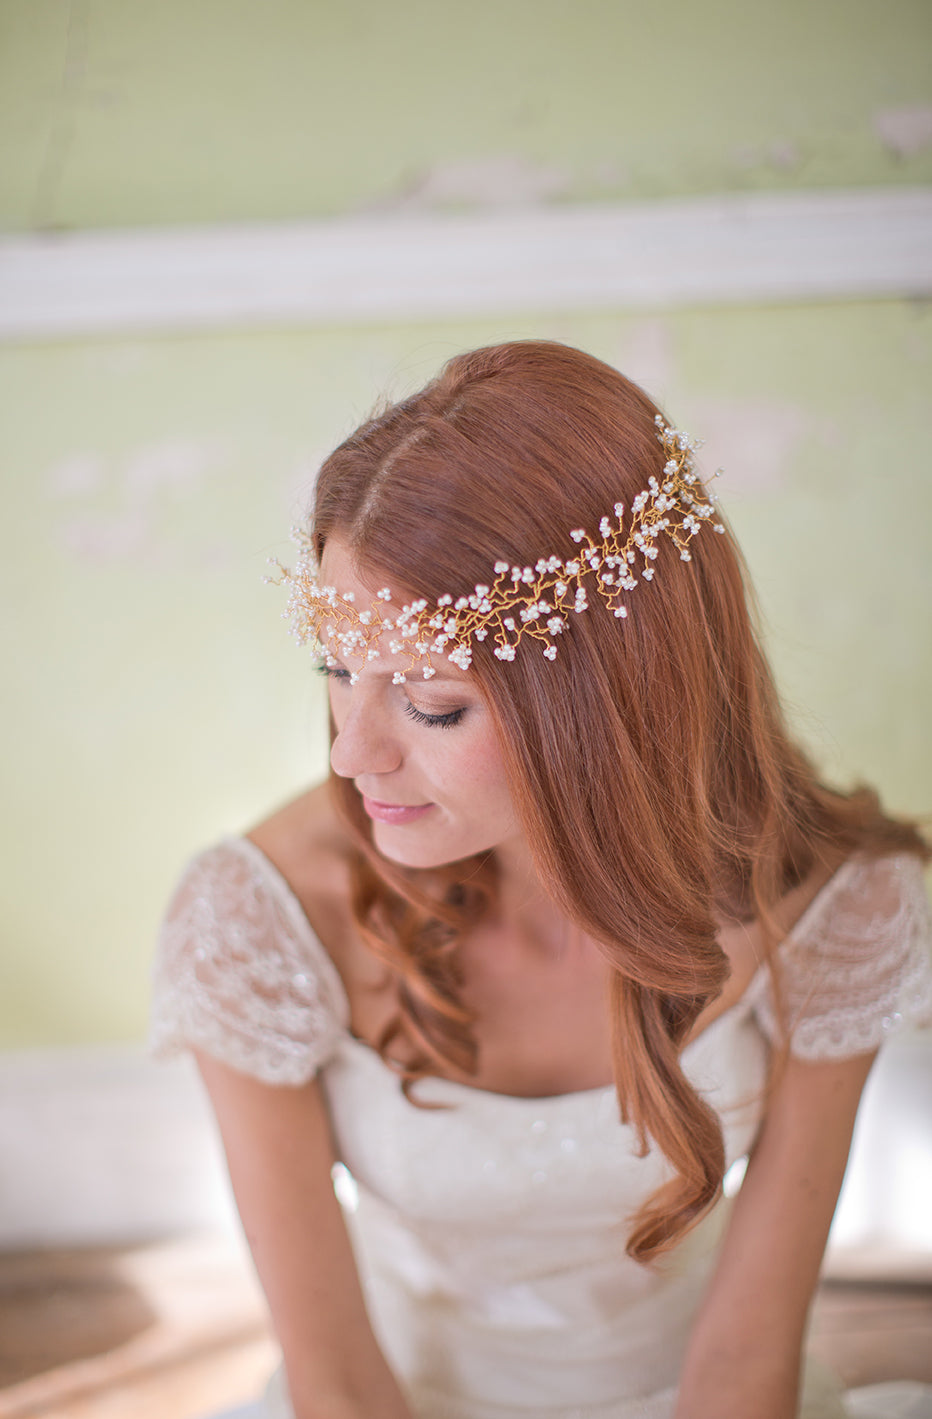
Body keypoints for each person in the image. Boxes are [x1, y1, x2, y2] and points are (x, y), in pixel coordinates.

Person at [152, 341, 932, 1419]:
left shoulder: (835, 908)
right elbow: (335, 1386)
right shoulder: (259, 919)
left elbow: (741, 1369)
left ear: (607, 699)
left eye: (430, 703)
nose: (350, 753)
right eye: (337, 672)